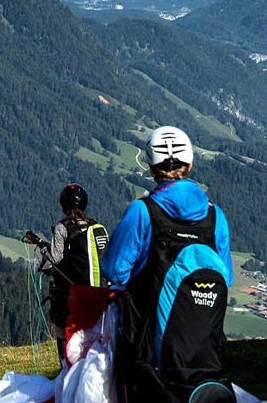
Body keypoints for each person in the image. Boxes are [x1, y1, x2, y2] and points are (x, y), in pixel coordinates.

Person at [102, 126, 234, 403]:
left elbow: (114, 270)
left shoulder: (143, 212)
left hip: (149, 348)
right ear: (190, 164)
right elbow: (227, 277)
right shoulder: (215, 216)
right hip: (206, 350)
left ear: (152, 168)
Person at [26, 183, 109, 364]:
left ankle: (66, 368)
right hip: (100, 291)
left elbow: (54, 259)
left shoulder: (62, 227)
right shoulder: (95, 226)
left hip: (73, 291)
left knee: (62, 328)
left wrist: (40, 243)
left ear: (63, 205)